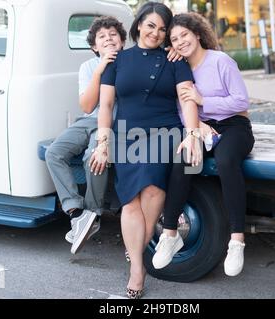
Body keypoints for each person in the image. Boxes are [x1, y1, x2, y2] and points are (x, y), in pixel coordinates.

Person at [90, 2, 202, 299]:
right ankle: (137, 267)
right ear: (139, 24)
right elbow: (106, 106)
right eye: (151, 25)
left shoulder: (175, 59)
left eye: (162, 28)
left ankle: (134, 247)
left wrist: (191, 134)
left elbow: (188, 98)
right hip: (127, 133)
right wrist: (103, 144)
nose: (156, 33)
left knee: (152, 188)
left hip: (164, 130)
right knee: (130, 202)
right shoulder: (117, 60)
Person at [152, 12, 255, 277]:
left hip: (234, 126)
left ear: (197, 33)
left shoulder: (220, 61)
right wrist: (195, 127)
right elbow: (179, 109)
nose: (181, 41)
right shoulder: (180, 69)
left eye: (184, 35)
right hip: (202, 128)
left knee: (225, 161)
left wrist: (202, 100)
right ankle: (170, 233)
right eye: (174, 39)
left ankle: (236, 240)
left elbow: (241, 101)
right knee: (183, 159)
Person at [45, 16, 126, 255]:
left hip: (115, 124)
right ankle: (77, 212)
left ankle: (93, 213)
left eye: (113, 34)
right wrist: (100, 69)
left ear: (122, 40)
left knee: (93, 155)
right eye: (102, 37)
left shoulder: (130, 62)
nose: (108, 39)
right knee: (54, 153)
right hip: (90, 120)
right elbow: (88, 105)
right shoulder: (88, 67)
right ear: (94, 47)